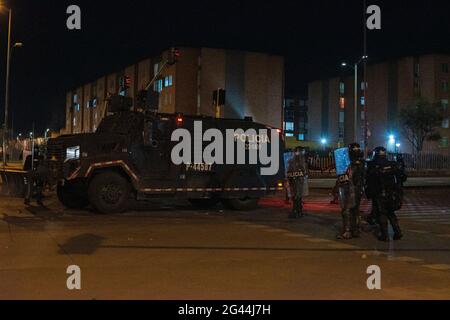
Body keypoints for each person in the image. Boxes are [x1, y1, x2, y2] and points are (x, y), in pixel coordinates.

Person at [365, 146, 406, 241]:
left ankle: (385, 235)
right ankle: (397, 232)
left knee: (382, 213)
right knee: (390, 212)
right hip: (391, 193)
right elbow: (402, 177)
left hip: (380, 193)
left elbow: (369, 181)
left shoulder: (373, 165)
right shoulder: (392, 164)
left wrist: (369, 193)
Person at [336, 143, 365, 239]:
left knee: (347, 210)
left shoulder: (351, 163)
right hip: (357, 189)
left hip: (350, 188)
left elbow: (347, 178)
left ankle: (347, 231)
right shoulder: (361, 162)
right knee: (355, 210)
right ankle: (355, 230)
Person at [286, 146, 309, 218]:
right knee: (296, 196)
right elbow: (289, 171)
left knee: (297, 196)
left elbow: (304, 171)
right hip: (294, 180)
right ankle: (298, 211)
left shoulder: (299, 161)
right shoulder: (292, 161)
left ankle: (297, 211)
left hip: (298, 180)